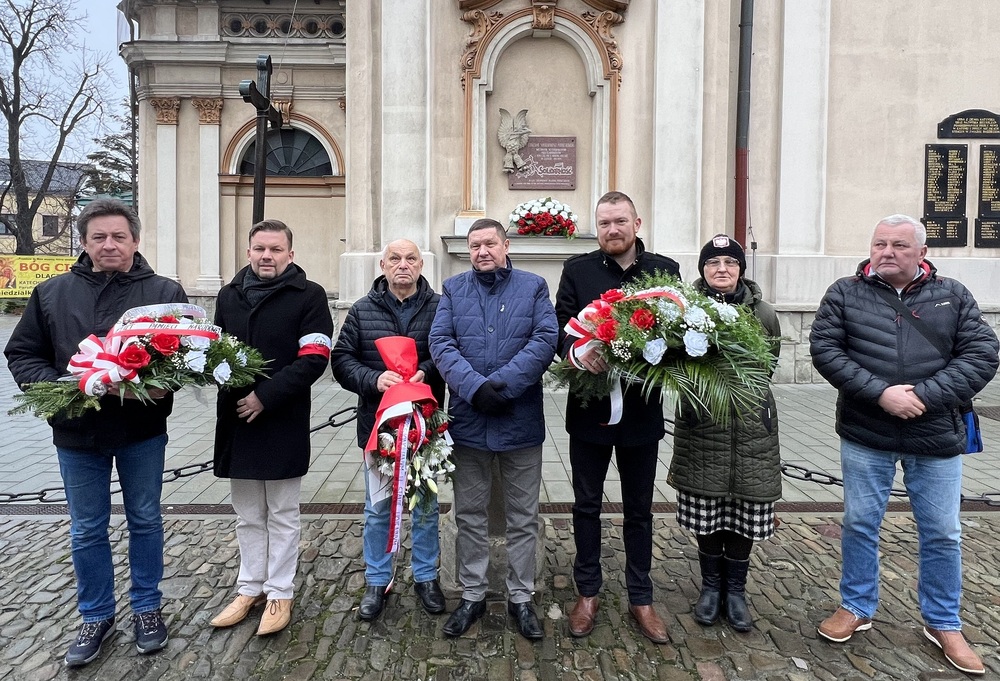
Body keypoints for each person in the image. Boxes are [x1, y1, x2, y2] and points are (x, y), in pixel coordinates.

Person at [810, 214, 998, 676]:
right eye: (879, 244)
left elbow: (982, 354)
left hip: (934, 435)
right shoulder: (844, 293)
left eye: (898, 244)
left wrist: (922, 397)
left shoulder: (952, 295)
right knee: (859, 523)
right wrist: (881, 393)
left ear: (922, 253)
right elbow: (827, 350)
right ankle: (856, 606)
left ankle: (943, 622)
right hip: (866, 432)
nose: (887, 252)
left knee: (941, 531)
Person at [4, 198, 187, 666]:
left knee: (145, 518)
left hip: (141, 430)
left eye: (118, 236)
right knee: (88, 528)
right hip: (77, 432)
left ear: (135, 240)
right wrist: (62, 393)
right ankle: (96, 615)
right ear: (84, 242)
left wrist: (156, 384)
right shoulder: (51, 292)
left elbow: (185, 359)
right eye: (99, 237)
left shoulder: (164, 291)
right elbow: (23, 353)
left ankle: (147, 608)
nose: (109, 244)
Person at [554, 191, 680, 644]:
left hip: (642, 414)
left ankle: (640, 597)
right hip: (589, 413)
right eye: (604, 222)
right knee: (585, 506)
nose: (612, 230)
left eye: (620, 221)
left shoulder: (664, 272)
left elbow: (678, 336)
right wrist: (578, 352)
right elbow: (560, 331)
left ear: (637, 223)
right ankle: (587, 592)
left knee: (639, 510)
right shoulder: (578, 270)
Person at [429, 218, 558, 640]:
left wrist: (501, 386)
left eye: (489, 243)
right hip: (470, 423)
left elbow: (544, 338)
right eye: (474, 245)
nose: (482, 251)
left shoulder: (534, 286)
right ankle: (472, 594)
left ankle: (521, 597)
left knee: (523, 516)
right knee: (469, 515)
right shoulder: (453, 289)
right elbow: (441, 343)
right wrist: (473, 388)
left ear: (505, 246)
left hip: (519, 421)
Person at [209, 219, 333, 636]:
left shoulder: (310, 296)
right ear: (248, 252)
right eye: (260, 248)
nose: (267, 256)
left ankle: (280, 590)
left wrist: (267, 395)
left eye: (276, 249)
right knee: (247, 514)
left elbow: (314, 357)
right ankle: (250, 588)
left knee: (281, 513)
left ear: (290, 255)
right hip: (237, 418)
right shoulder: (228, 296)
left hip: (281, 416)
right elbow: (215, 351)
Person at [667, 235, 782, 633]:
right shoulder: (685, 309)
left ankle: (736, 590)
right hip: (704, 424)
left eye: (730, 263)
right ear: (702, 269)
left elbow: (769, 363)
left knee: (744, 511)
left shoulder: (763, 313)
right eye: (713, 262)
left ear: (740, 270)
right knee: (708, 509)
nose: (722, 269)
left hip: (752, 426)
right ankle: (710, 587)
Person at [330, 239, 447, 621]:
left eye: (410, 259)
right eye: (395, 259)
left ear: (421, 265)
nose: (403, 265)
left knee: (426, 507)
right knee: (378, 508)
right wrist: (372, 378)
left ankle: (427, 577)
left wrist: (425, 373)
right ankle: (378, 580)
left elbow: (448, 350)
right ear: (382, 264)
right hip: (378, 429)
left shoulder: (439, 306)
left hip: (425, 427)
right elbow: (342, 359)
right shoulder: (363, 310)